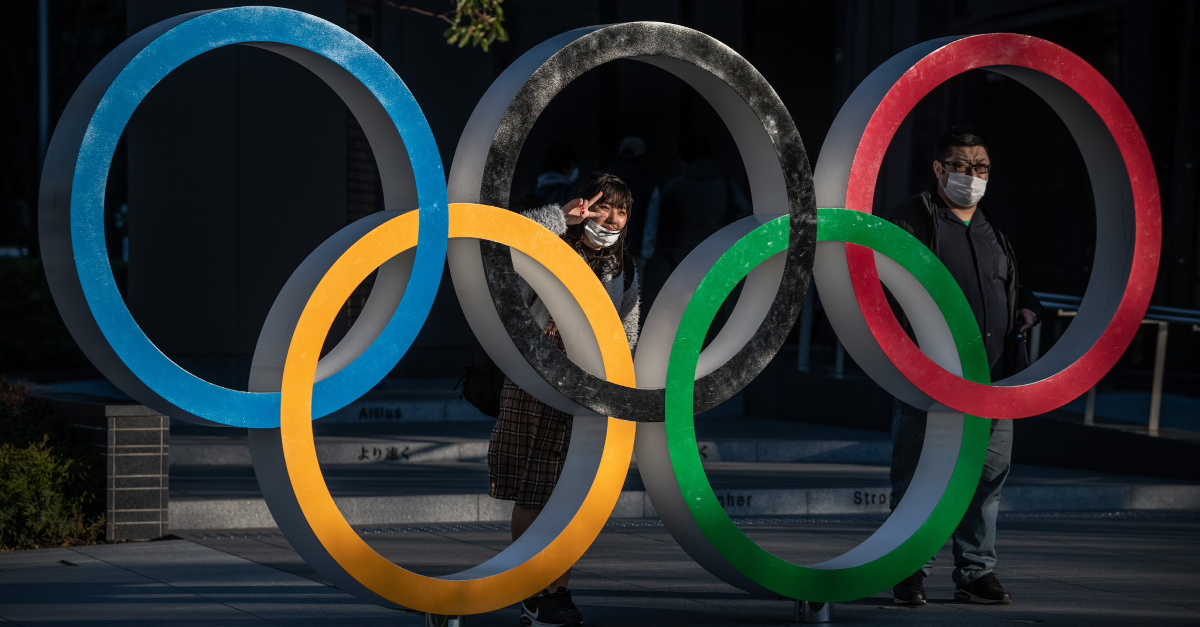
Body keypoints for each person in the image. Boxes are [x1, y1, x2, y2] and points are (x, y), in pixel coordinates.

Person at [884, 125, 1042, 607]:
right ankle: (909, 569)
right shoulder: (911, 218)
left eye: (981, 167)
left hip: (995, 376)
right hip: (931, 374)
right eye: (960, 165)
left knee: (988, 477)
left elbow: (1009, 280)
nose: (971, 175)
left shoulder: (996, 220)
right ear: (938, 168)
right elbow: (882, 283)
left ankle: (975, 572)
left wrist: (1027, 304)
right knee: (918, 475)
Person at [487, 172, 640, 627]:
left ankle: (558, 591)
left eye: (621, 211)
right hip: (536, 378)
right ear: (584, 206)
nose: (611, 220)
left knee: (572, 494)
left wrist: (616, 386)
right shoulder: (550, 245)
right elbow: (501, 240)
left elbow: (627, 333)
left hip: (588, 387)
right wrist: (559, 217)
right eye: (603, 207)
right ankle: (531, 591)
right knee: (534, 489)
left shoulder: (625, 268)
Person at [605, 135, 660, 263]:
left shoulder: (604, 181)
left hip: (605, 251)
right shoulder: (648, 185)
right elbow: (650, 224)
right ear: (643, 156)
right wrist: (646, 253)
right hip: (634, 251)